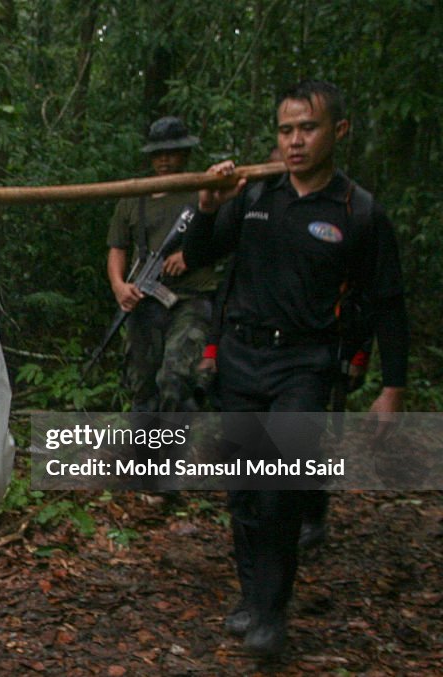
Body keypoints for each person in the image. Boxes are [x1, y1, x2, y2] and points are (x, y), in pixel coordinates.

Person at [183, 80, 408, 655]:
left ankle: (270, 613)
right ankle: (252, 596)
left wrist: (392, 387)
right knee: (243, 490)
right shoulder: (255, 195)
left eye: (308, 128)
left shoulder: (359, 212)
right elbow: (201, 254)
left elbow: (388, 302)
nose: (295, 141)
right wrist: (207, 208)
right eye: (286, 130)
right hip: (241, 359)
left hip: (305, 366)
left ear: (339, 130)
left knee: (280, 490)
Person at [107, 116, 219, 415]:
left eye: (172, 153)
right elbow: (117, 248)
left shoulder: (203, 192)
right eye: (158, 154)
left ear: (185, 153)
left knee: (175, 381)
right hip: (145, 300)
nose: (165, 160)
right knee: (142, 386)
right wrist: (119, 286)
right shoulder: (135, 197)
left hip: (191, 299)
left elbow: (224, 240)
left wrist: (189, 256)